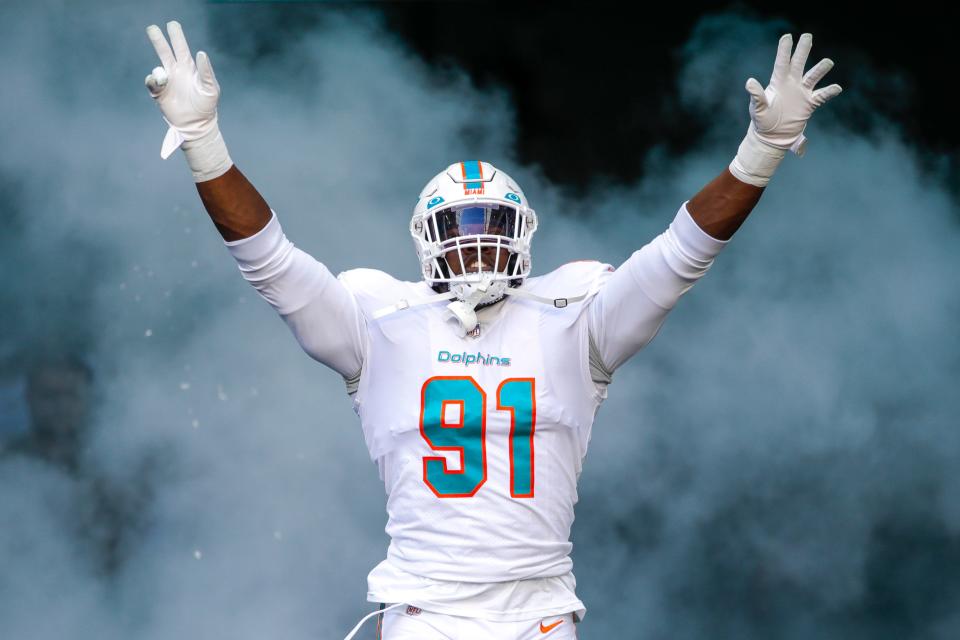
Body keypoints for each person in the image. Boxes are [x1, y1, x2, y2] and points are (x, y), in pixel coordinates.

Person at [143, 21, 841, 640]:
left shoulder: (575, 316)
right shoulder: (377, 319)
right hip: (426, 614)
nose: (476, 249)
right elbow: (269, 261)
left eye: (491, 230)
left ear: (523, 235)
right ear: (425, 241)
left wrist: (762, 148)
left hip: (539, 612)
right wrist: (206, 144)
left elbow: (680, 256)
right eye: (460, 232)